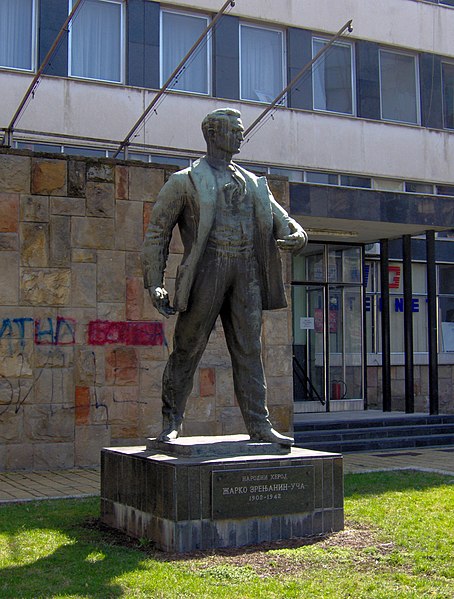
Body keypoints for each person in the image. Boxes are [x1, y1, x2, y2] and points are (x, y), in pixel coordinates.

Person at [142, 108, 307, 445]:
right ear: (212, 134)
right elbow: (157, 233)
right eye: (234, 130)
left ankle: (259, 425)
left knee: (250, 350)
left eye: (241, 130)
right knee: (187, 349)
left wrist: (296, 232)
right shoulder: (184, 180)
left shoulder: (253, 183)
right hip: (206, 270)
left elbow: (282, 218)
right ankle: (171, 422)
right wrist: (154, 282)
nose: (240, 136)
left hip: (246, 273)